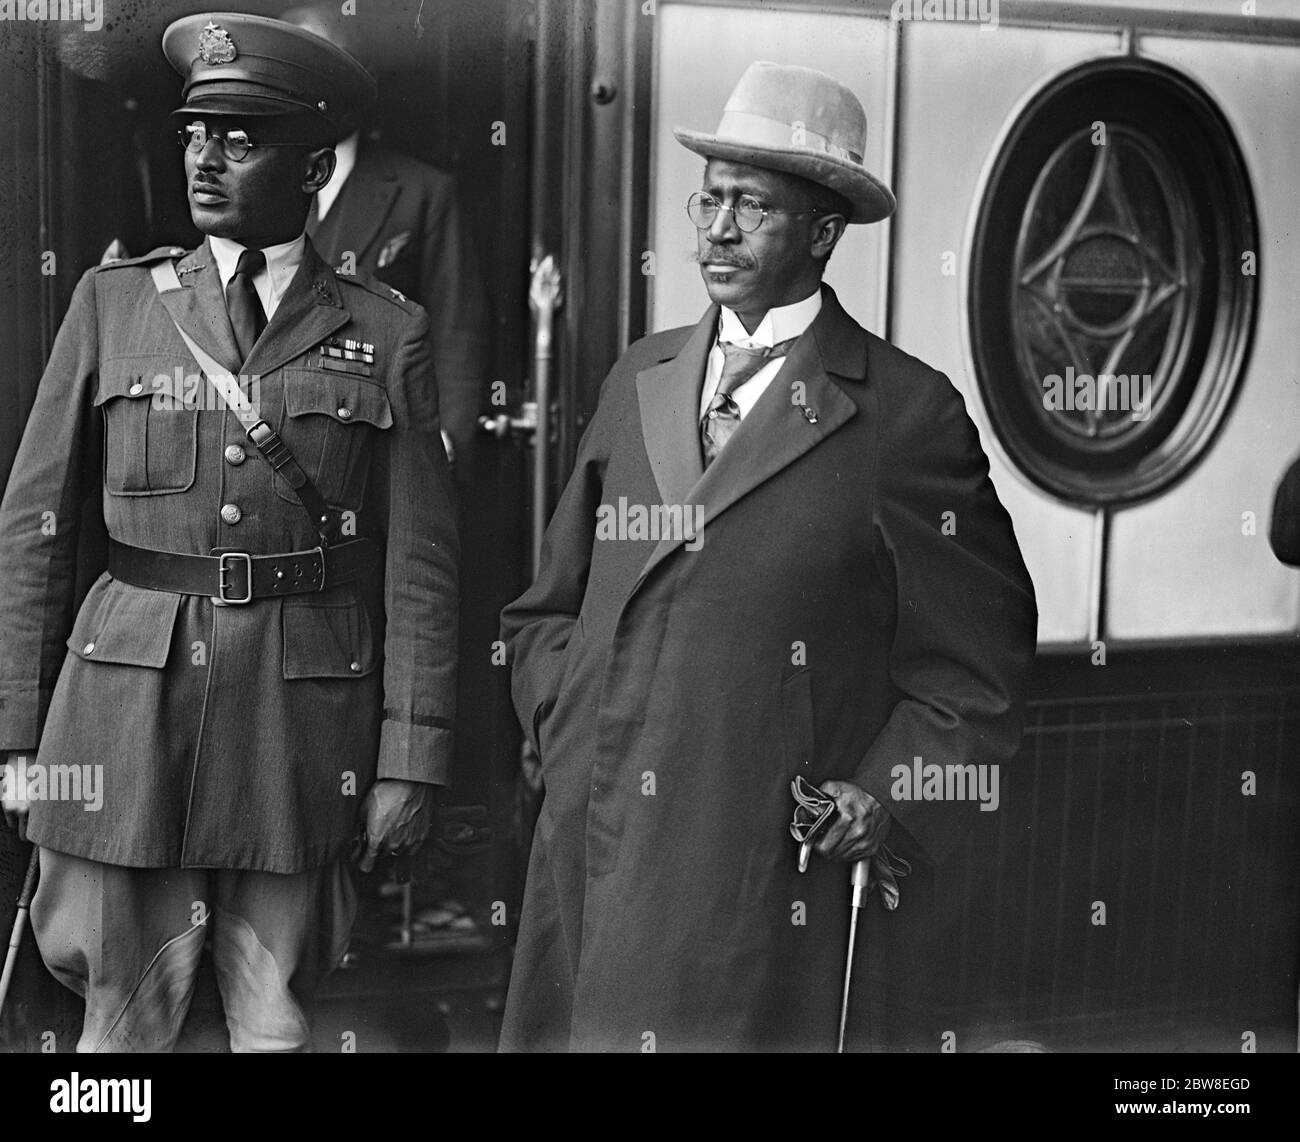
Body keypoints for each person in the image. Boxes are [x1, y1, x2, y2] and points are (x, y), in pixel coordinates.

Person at [499, 61, 1038, 1052]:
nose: (715, 226)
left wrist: (880, 798)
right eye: (708, 198)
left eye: (750, 204)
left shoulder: (903, 415)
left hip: (753, 880)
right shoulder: (640, 373)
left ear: (823, 232)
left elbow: (979, 677)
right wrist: (564, 714)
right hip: (591, 846)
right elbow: (545, 606)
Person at [0, 11, 459, 1052]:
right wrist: (18, 734)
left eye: (241, 139)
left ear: (311, 167)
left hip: (300, 735)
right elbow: (35, 526)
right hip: (121, 718)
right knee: (119, 1021)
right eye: (196, 133)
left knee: (275, 1022)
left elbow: (421, 560)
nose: (206, 156)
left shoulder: (386, 332)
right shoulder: (113, 304)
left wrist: (410, 756)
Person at [282, 3, 491, 486]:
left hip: (381, 452)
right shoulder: (248, 185)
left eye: (330, 68)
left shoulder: (423, 191)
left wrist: (448, 439)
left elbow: (457, 328)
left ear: (361, 79)